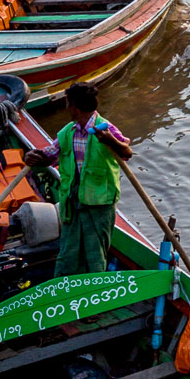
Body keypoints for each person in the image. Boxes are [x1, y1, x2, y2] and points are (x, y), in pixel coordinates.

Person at [24, 80, 133, 278]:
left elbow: (126, 153)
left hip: (99, 202)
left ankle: (94, 294)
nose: (66, 107)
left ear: (74, 106)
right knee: (68, 253)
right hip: (72, 201)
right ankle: (65, 291)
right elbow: (49, 156)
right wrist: (32, 156)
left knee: (95, 254)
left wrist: (110, 141)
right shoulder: (69, 132)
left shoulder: (105, 129)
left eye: (67, 102)